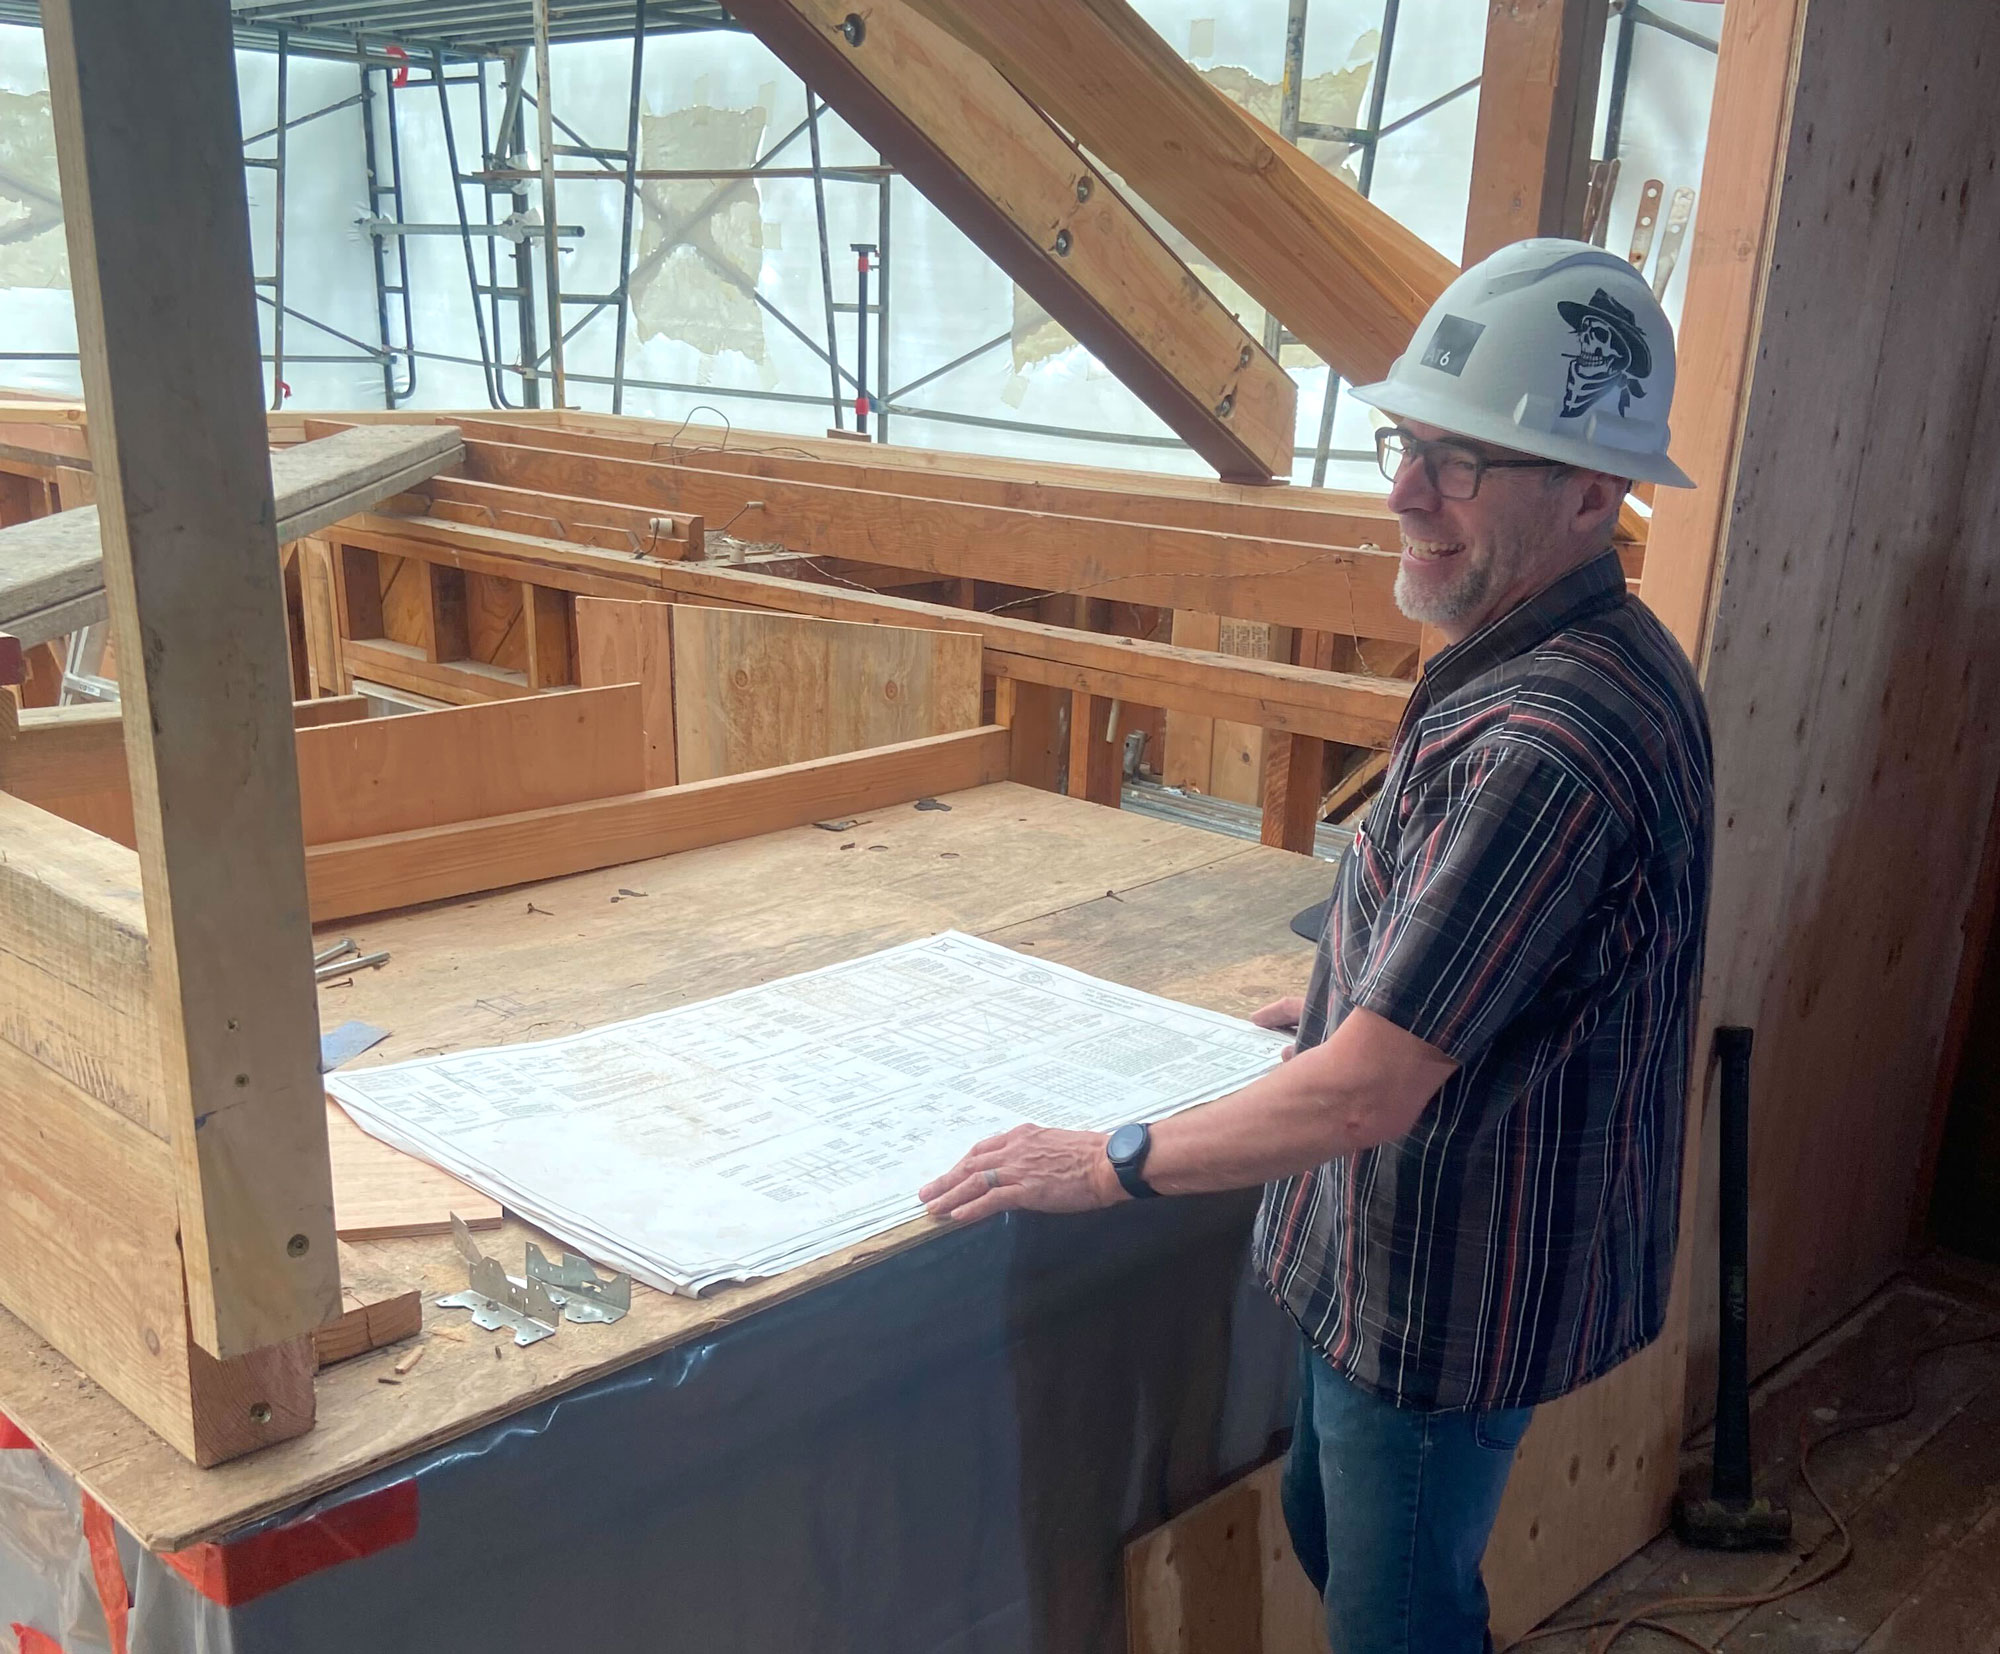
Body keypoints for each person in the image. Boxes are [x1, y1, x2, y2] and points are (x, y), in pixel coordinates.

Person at [919, 239, 1714, 1654]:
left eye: (1463, 463)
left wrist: (1106, 1160)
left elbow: (1366, 1096)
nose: (1405, 491)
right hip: (1423, 1244)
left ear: (1593, 494)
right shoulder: (1561, 657)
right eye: (1409, 442)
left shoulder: (1552, 734)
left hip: (1448, 1275)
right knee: (1338, 1533)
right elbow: (1519, 952)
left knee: (1398, 1613)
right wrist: (1356, 992)